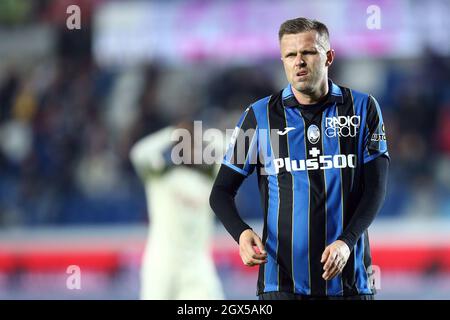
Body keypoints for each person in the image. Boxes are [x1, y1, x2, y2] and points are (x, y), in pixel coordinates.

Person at [209, 17, 389, 300]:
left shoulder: (363, 109)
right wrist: (241, 233)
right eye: (290, 55)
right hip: (281, 285)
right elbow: (220, 192)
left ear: (328, 57)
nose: (299, 62)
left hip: (351, 282)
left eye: (307, 52)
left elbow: (375, 189)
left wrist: (346, 242)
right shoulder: (259, 117)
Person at [130, 122, 224, 300]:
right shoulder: (159, 178)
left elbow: (234, 152)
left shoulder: (211, 183)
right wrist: (172, 132)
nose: (189, 149)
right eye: (183, 144)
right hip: (162, 263)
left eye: (193, 144)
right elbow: (138, 154)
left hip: (196, 266)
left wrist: (202, 134)